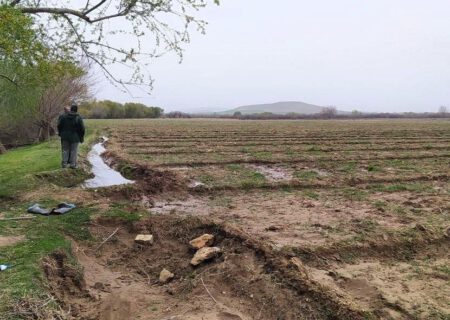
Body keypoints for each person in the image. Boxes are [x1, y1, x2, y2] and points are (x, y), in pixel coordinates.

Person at [57, 103, 85, 169]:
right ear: (76, 110)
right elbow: (82, 128)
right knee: (74, 151)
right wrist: (81, 137)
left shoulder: (63, 116)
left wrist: (61, 133)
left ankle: (64, 164)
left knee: (65, 150)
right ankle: (73, 165)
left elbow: (59, 125)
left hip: (64, 136)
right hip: (75, 137)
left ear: (71, 109)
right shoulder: (78, 117)